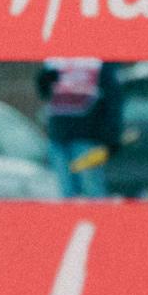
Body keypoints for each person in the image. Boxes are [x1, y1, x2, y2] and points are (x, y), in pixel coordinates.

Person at [35, 58, 122, 198]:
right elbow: (44, 91)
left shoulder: (99, 62)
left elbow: (113, 99)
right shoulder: (56, 60)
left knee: (92, 190)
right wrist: (45, 79)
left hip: (87, 136)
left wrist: (111, 134)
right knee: (66, 191)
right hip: (58, 136)